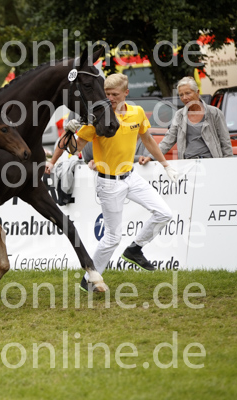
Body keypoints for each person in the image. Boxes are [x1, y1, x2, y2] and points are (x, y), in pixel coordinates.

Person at [45, 73, 178, 292]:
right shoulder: (97, 118)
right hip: (108, 183)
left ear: (126, 93)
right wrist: (67, 137)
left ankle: (135, 249)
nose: (110, 98)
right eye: (107, 94)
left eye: (115, 94)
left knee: (164, 213)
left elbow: (148, 139)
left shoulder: (137, 112)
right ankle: (89, 279)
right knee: (112, 238)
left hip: (131, 176)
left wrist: (165, 164)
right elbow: (74, 149)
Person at [145, 76, 233, 161]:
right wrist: (151, 157)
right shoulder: (179, 115)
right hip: (188, 164)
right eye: (181, 95)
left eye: (188, 93)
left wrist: (228, 163)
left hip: (211, 162)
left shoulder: (214, 113)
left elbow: (225, 142)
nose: (184, 98)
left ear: (197, 92)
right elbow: (168, 140)